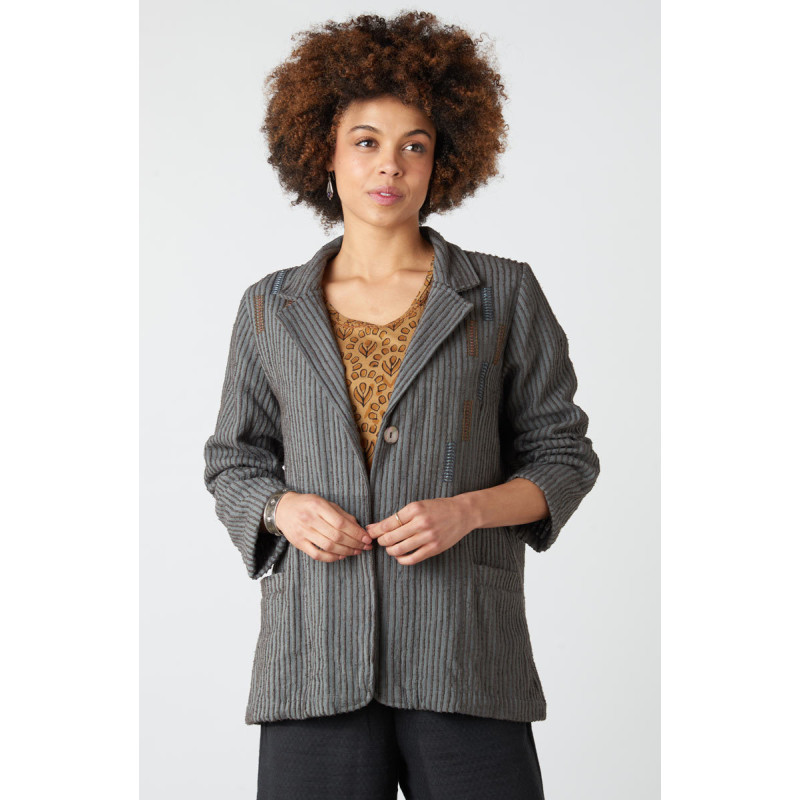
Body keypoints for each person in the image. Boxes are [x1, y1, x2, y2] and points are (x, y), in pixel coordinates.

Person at [203, 11, 600, 800]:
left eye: (414, 145)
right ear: (323, 151)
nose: (390, 164)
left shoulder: (503, 293)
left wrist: (469, 511)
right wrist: (282, 508)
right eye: (366, 141)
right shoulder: (268, 308)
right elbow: (233, 462)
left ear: (441, 159)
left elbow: (563, 456)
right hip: (313, 659)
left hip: (463, 655)